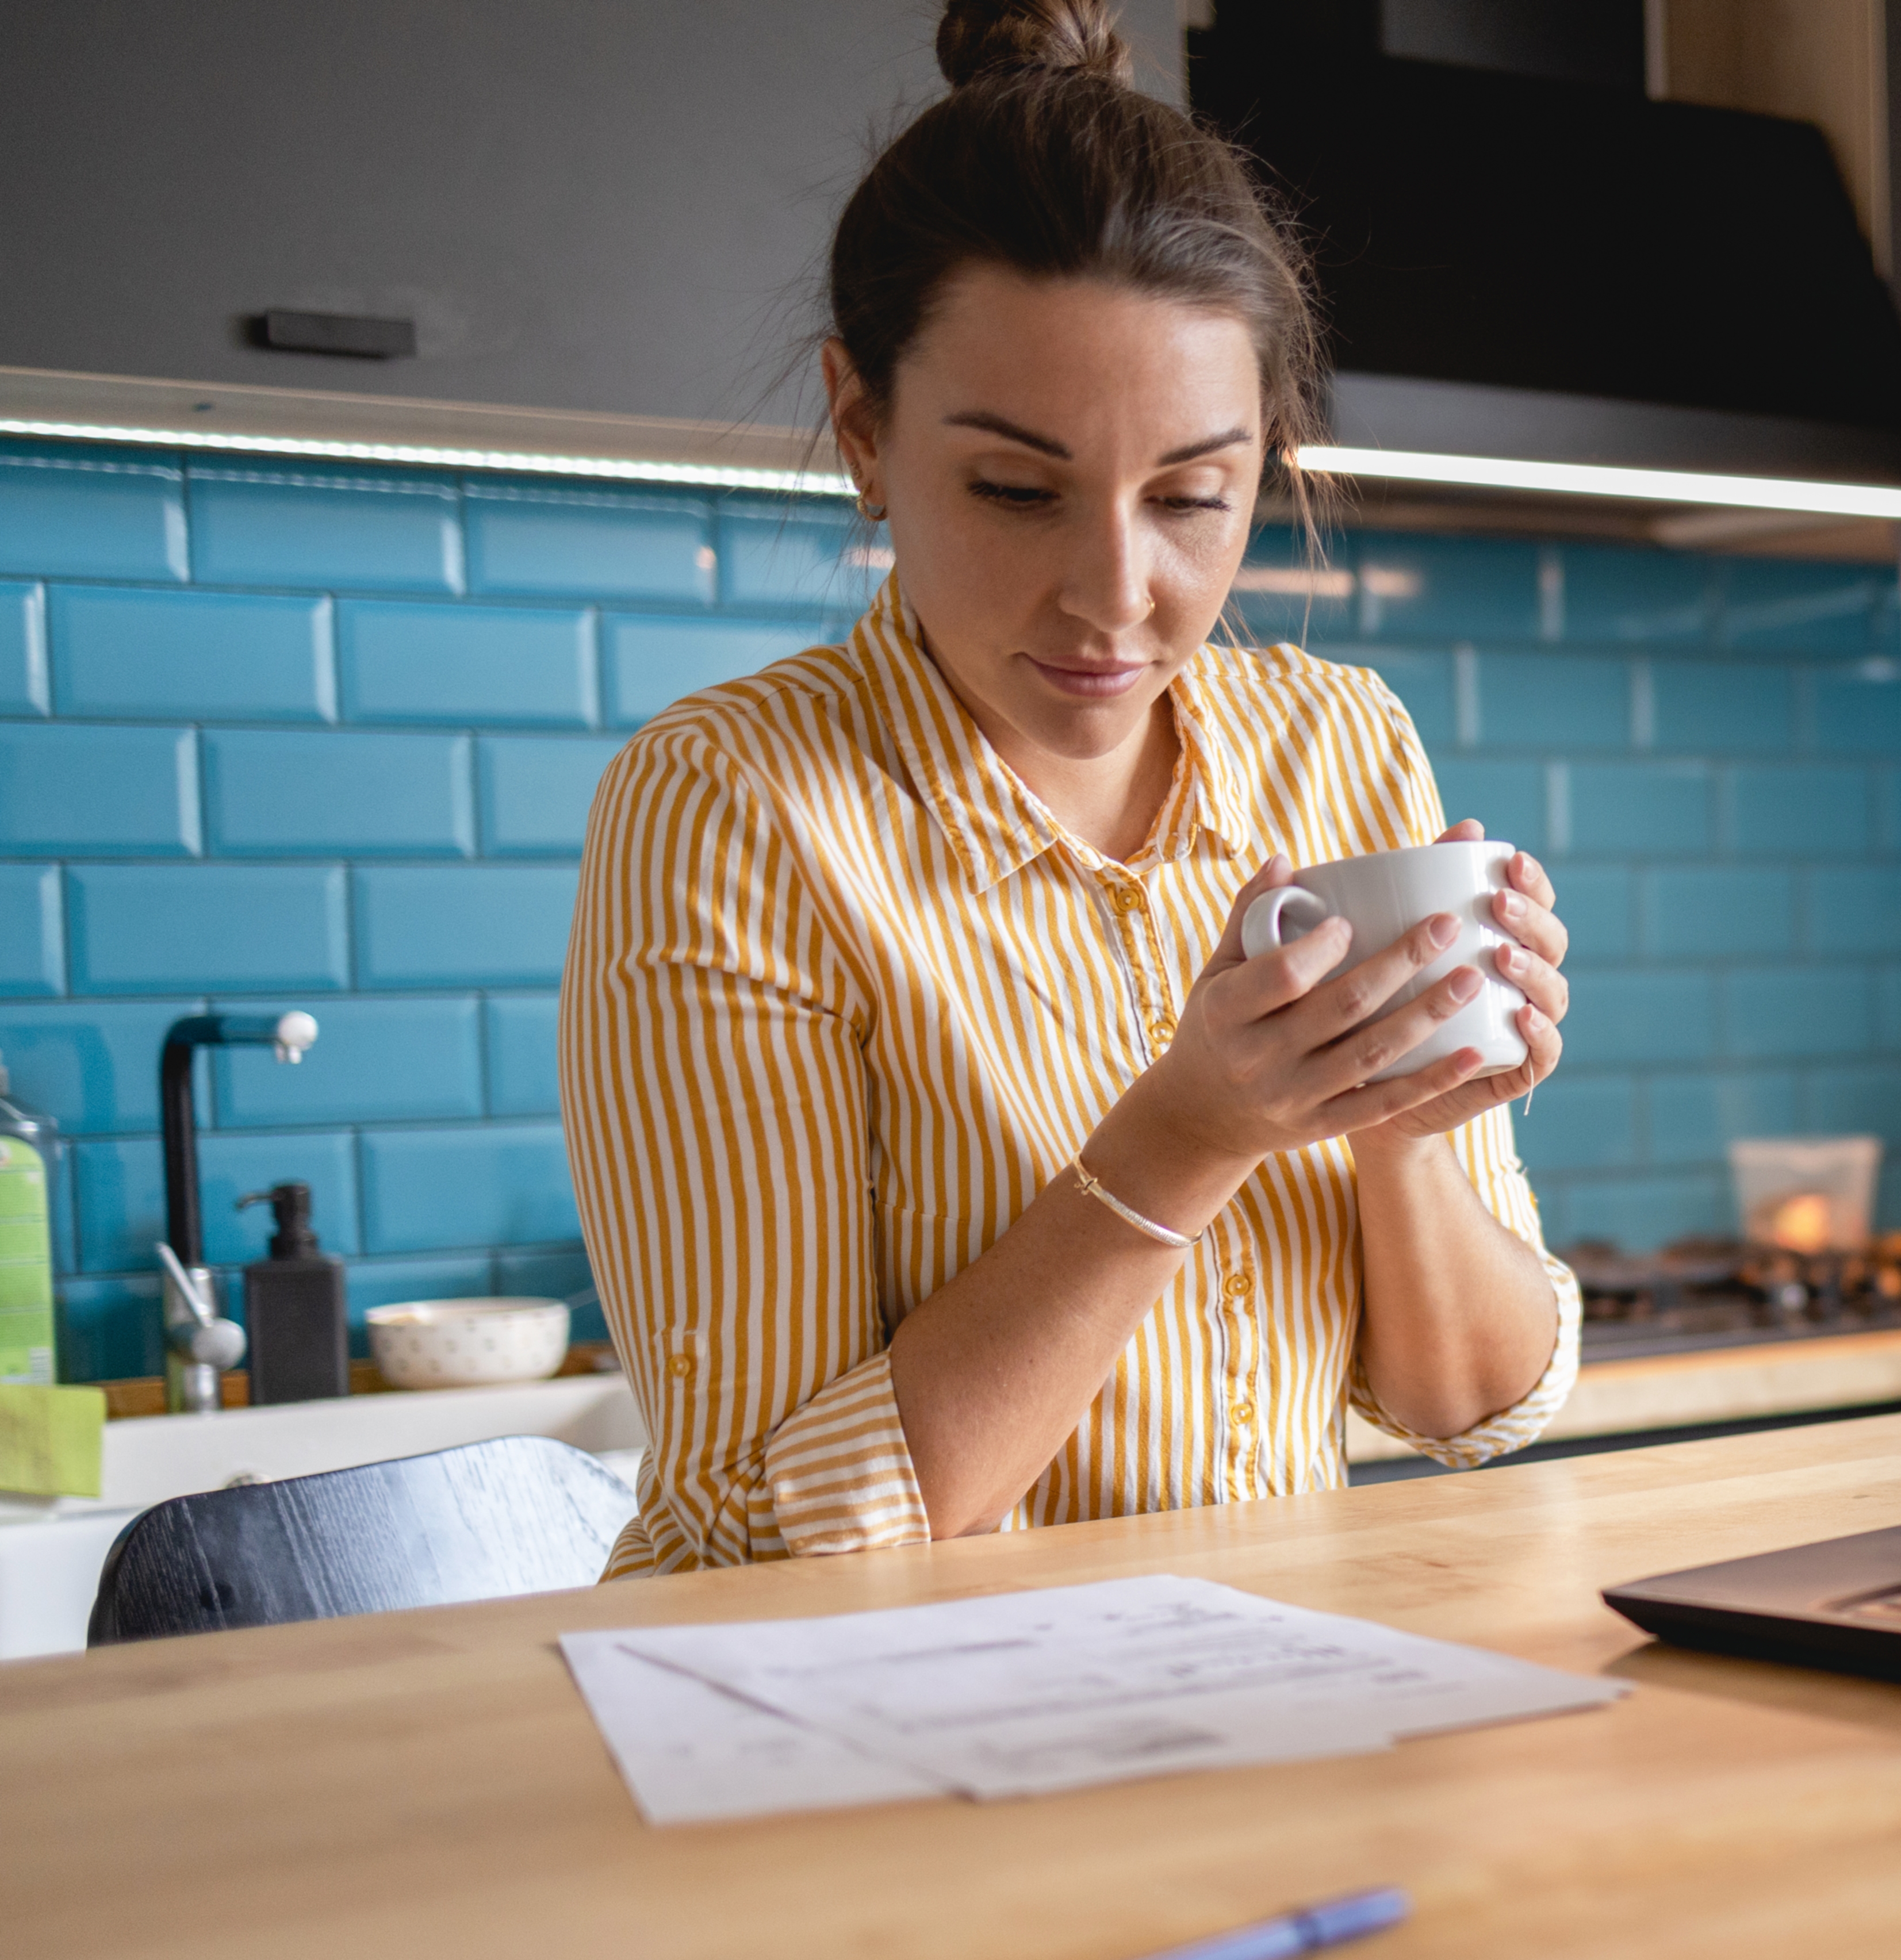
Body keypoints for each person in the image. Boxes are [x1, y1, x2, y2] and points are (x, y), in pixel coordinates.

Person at [558, 0, 1578, 1577]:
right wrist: (1180, 1137)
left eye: (1191, 495)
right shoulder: (734, 807)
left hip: (1255, 1715)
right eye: (1018, 491)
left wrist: (1395, 1119)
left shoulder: (1338, 744)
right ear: (862, 428)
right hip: (865, 1754)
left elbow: (1471, 1406)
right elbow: (757, 1528)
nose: (1116, 594)